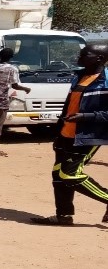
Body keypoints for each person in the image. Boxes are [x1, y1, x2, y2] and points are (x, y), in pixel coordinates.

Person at [31, 44, 108, 226]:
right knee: (58, 175)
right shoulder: (79, 76)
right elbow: (68, 106)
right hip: (66, 134)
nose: (79, 57)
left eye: (85, 54)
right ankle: (64, 216)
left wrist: (86, 116)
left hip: (87, 136)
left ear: (99, 58)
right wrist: (58, 132)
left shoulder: (105, 80)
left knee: (69, 174)